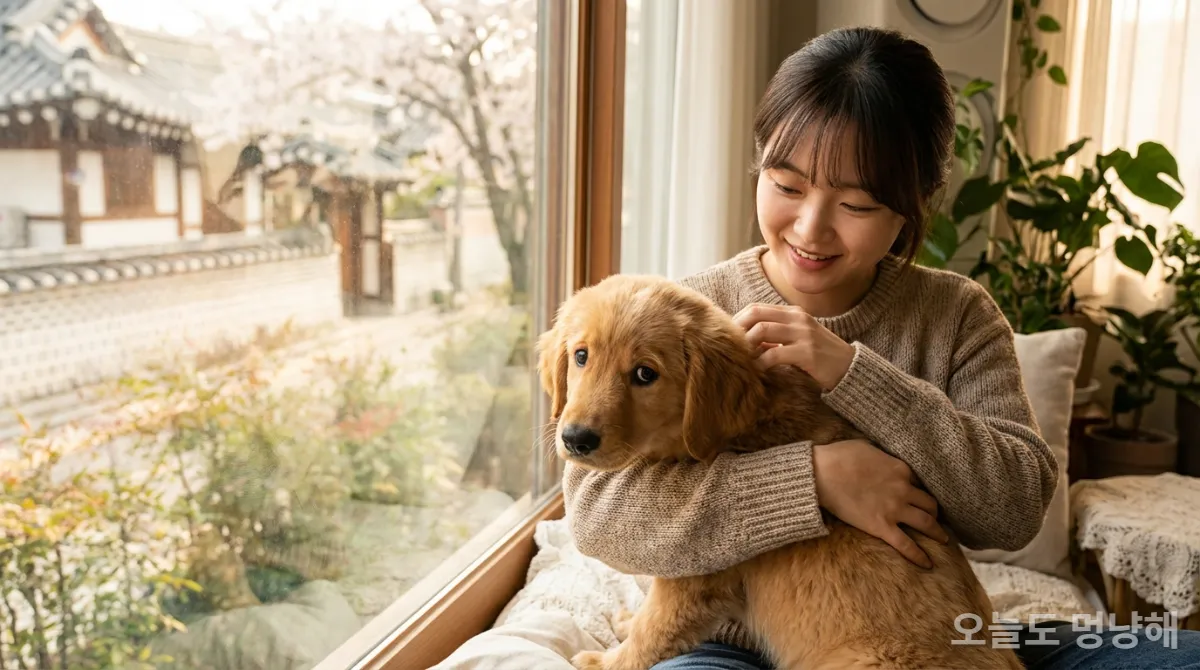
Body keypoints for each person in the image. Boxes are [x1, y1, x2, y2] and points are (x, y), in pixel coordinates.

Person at [561, 26, 1200, 669]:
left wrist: (856, 375)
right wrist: (816, 480)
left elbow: (1012, 511)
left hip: (948, 632)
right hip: (727, 642)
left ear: (913, 204)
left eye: (857, 203)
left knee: (1180, 654)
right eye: (786, 186)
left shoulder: (956, 314)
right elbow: (596, 514)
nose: (811, 227)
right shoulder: (685, 314)